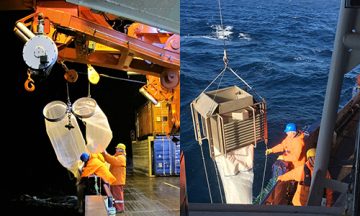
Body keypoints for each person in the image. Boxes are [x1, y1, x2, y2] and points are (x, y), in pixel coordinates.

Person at [102, 143, 127, 213]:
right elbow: (110, 159)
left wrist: (104, 153)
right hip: (115, 180)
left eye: (117, 148)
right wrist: (105, 153)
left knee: (118, 196)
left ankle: (120, 208)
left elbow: (112, 160)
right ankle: (117, 207)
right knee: (116, 195)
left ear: (120, 150)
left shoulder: (121, 158)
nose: (116, 149)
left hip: (118, 181)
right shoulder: (118, 157)